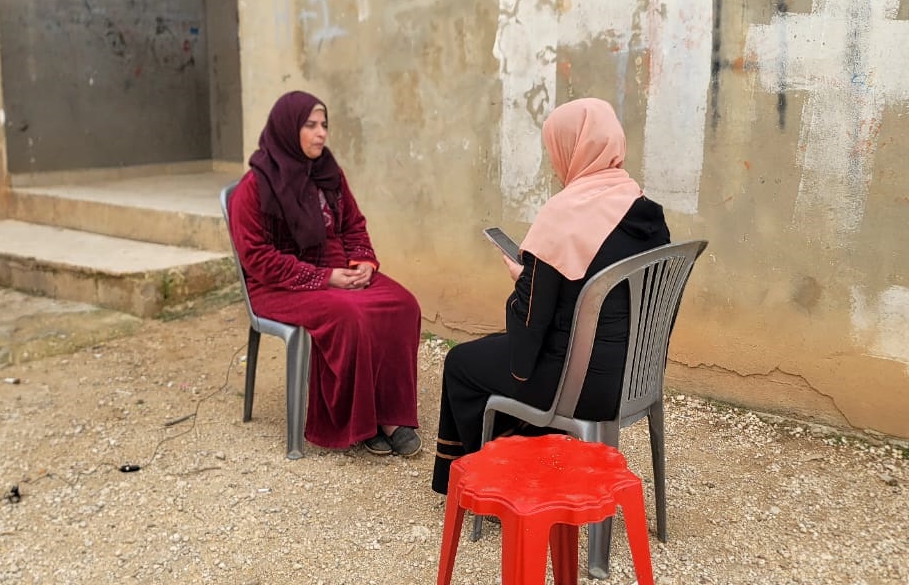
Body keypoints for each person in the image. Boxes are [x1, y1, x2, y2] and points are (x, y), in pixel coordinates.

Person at [431, 97, 670, 494]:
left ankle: (493, 482)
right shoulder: (645, 209)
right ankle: (536, 462)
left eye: (556, 150)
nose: (556, 162)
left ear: (574, 148)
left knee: (461, 362)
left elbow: (530, 325)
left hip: (579, 387)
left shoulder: (565, 215)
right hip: (634, 378)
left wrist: (523, 281)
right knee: (495, 349)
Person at [228, 90, 422, 457]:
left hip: (337, 269)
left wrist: (362, 261)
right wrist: (323, 278)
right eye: (310, 125)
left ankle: (390, 415)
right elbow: (257, 258)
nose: (321, 134)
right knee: (349, 315)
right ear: (288, 129)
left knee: (404, 305)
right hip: (279, 283)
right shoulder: (255, 187)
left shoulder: (328, 172)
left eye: (324, 125)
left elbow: (353, 225)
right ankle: (359, 424)